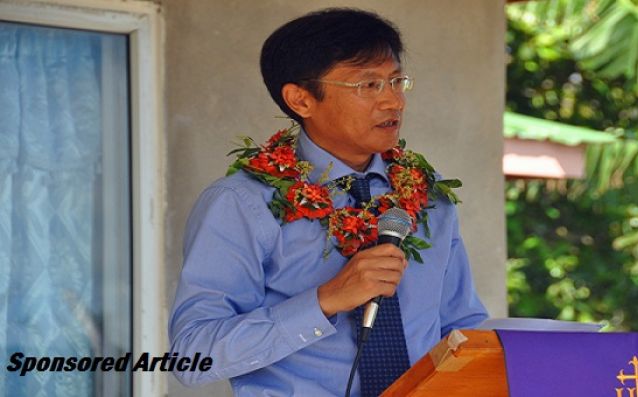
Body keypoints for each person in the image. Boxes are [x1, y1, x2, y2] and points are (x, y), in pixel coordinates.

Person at [168, 8, 488, 396]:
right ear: (301, 100)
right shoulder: (242, 203)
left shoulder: (427, 197)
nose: (393, 102)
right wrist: (326, 299)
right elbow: (192, 353)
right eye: (368, 86)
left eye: (396, 81)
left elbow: (463, 328)